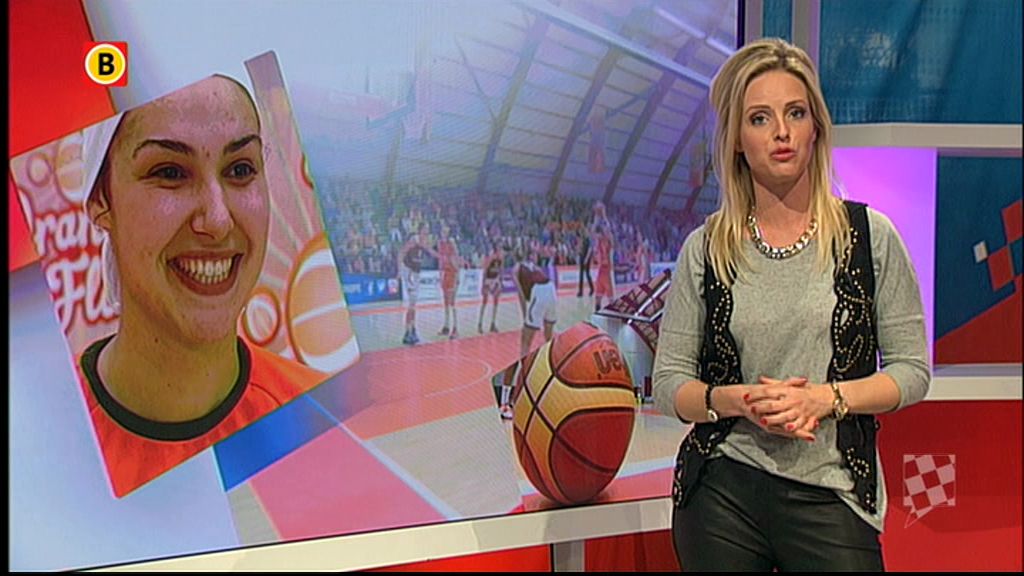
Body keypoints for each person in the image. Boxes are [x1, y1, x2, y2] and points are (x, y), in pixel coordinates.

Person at [651, 38, 929, 571]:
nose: (781, 131)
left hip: (831, 493)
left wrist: (824, 399)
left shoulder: (870, 237)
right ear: (737, 141)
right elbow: (669, 384)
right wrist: (740, 401)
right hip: (723, 492)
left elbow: (912, 371)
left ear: (815, 127)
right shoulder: (706, 249)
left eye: (795, 113)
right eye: (760, 118)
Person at [80, 75, 327, 498]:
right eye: (170, 172)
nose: (217, 219)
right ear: (101, 200)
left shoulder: (320, 414)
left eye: (240, 169)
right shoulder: (43, 433)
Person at [398, 223, 437, 345]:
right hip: (409, 271)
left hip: (416, 272)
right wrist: (399, 270)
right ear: (420, 230)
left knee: (413, 304)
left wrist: (444, 257)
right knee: (412, 304)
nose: (427, 232)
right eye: (425, 229)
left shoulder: (424, 241)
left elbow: (431, 252)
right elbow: (401, 253)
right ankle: (409, 332)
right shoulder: (414, 240)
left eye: (428, 230)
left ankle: (411, 330)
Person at [436, 223, 464, 339]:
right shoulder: (440, 243)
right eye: (443, 231)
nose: (444, 233)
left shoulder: (451, 242)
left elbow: (456, 258)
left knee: (452, 302)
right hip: (445, 274)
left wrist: (457, 276)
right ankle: (446, 326)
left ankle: (455, 328)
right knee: (446, 303)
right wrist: (440, 274)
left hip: (452, 273)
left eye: (446, 231)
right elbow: (440, 260)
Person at [478, 243, 505, 334]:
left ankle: (493, 323)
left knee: (496, 302)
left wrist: (500, 281)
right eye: (499, 246)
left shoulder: (501, 256)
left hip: (495, 280)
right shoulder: (491, 256)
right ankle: (480, 324)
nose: (500, 248)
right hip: (488, 280)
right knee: (484, 302)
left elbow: (501, 269)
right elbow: (485, 270)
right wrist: (483, 284)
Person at [592, 222, 615, 312]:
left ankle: (614, 314)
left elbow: (610, 238)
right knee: (598, 296)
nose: (595, 236)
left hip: (607, 271)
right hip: (601, 271)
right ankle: (597, 314)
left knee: (610, 298)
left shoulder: (606, 241)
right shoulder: (598, 243)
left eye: (596, 234)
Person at [576, 227, 593, 297]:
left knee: (587, 274)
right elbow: (579, 250)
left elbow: (590, 250)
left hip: (587, 258)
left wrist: (586, 258)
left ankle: (592, 289)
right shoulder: (581, 240)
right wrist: (578, 247)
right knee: (581, 275)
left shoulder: (588, 239)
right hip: (581, 257)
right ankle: (580, 291)